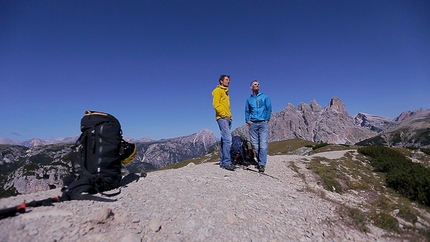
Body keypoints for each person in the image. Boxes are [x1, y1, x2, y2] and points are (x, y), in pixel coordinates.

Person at [245, 80, 272, 173]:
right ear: (251, 87)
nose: (257, 85)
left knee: (263, 145)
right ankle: (260, 161)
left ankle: (261, 164)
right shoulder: (249, 100)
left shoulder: (265, 97)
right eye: (254, 84)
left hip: (262, 123)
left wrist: (266, 120)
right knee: (255, 146)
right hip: (253, 124)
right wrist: (247, 120)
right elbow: (247, 111)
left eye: (258, 84)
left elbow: (269, 108)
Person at [212, 75, 235, 171]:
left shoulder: (226, 93)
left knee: (224, 140)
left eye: (229, 80)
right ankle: (227, 162)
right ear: (221, 81)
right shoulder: (217, 91)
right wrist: (223, 114)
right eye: (226, 80)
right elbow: (215, 104)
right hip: (223, 118)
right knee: (228, 140)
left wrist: (228, 116)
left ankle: (223, 161)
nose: (228, 81)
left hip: (228, 118)